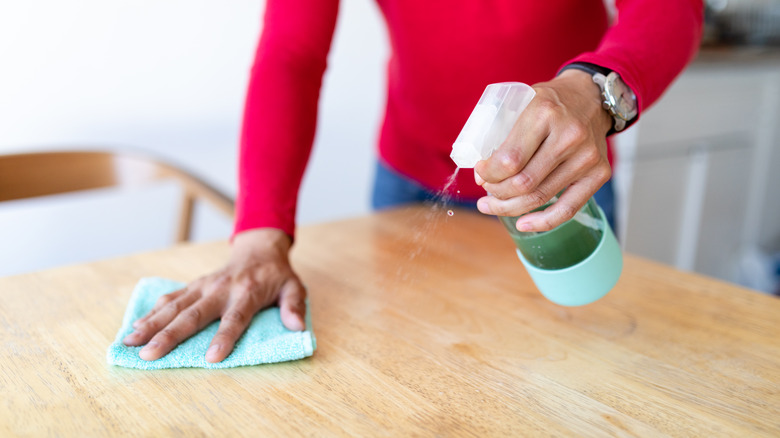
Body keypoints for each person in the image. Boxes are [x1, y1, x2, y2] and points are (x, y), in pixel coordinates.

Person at [123, 0, 703, 362]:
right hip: (409, 180)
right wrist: (259, 236)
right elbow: (292, 53)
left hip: (559, 172)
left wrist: (596, 88)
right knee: (406, 370)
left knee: (580, 369)